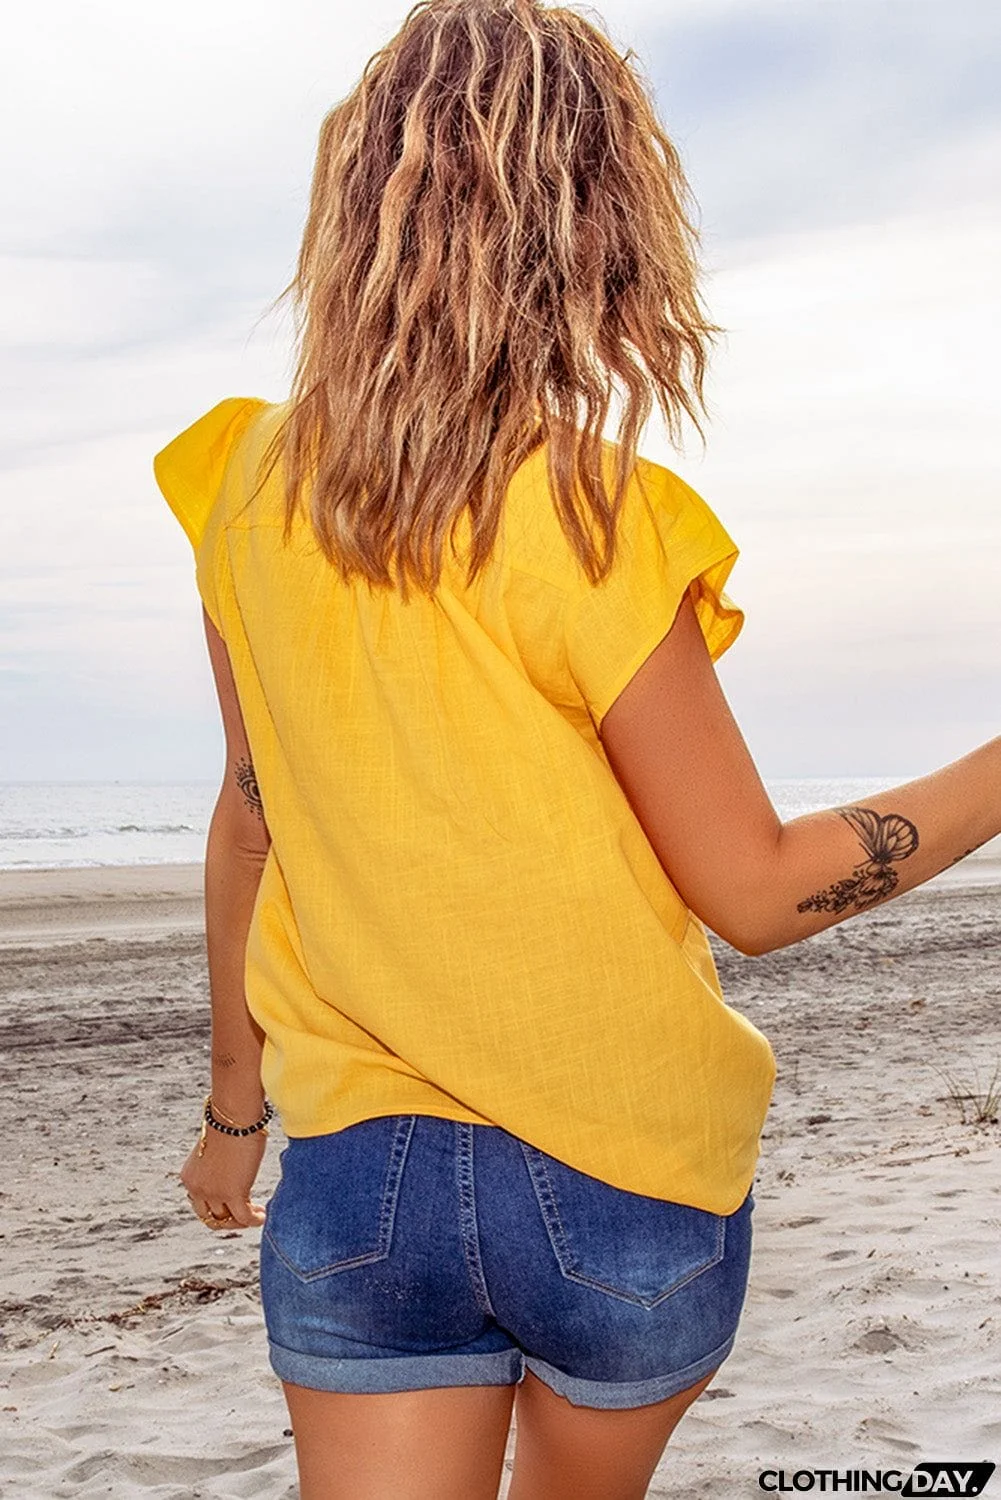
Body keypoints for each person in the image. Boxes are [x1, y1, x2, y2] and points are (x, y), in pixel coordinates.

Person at [153, 2, 1001, 1497]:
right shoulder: (591, 516)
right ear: (597, 226)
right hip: (624, 1182)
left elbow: (251, 810)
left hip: (360, 1172)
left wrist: (235, 1109)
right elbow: (756, 891)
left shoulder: (243, 491)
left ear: (360, 207)